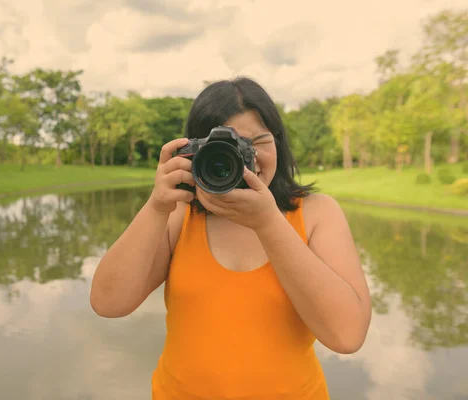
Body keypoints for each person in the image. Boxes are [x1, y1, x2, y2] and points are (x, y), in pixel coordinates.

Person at [90, 77, 372, 399]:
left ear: (279, 143)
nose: (241, 158)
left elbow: (347, 336)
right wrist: (156, 207)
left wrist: (269, 223)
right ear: (193, 152)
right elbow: (108, 303)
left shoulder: (317, 213)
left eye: (257, 143)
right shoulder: (180, 215)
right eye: (224, 148)